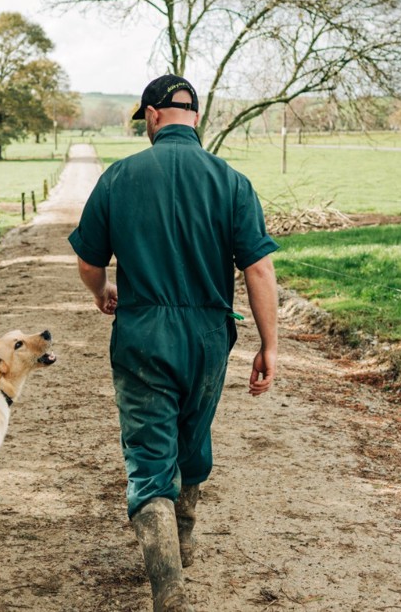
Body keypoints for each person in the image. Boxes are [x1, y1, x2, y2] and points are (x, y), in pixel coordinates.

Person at [69, 74, 279, 612]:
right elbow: (258, 269)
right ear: (196, 116)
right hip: (209, 335)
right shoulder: (231, 181)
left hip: (143, 333)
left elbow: (90, 262)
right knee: (192, 436)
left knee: (148, 454)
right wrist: (269, 345)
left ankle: (168, 590)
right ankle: (183, 538)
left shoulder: (119, 178)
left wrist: (102, 291)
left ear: (154, 116)